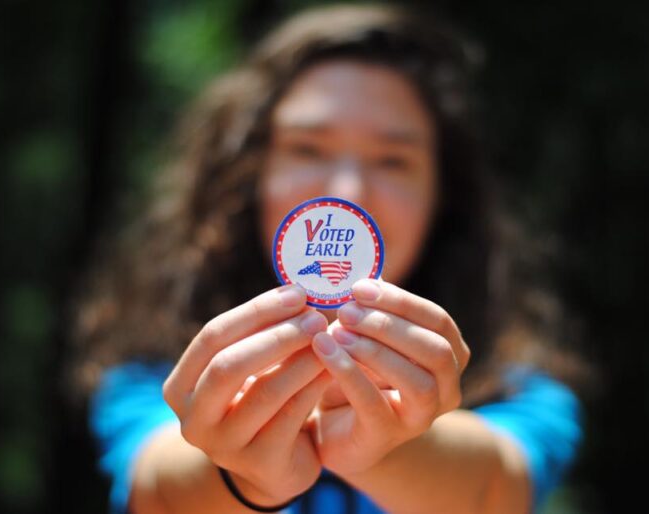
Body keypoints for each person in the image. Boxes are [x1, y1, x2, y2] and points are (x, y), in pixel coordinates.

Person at [73, 5, 585, 514]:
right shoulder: (160, 370)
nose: (348, 193)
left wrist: (386, 449)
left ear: (443, 197)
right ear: (250, 175)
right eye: (307, 150)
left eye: (393, 160)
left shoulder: (516, 383)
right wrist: (238, 476)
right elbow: (158, 491)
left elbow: (494, 490)